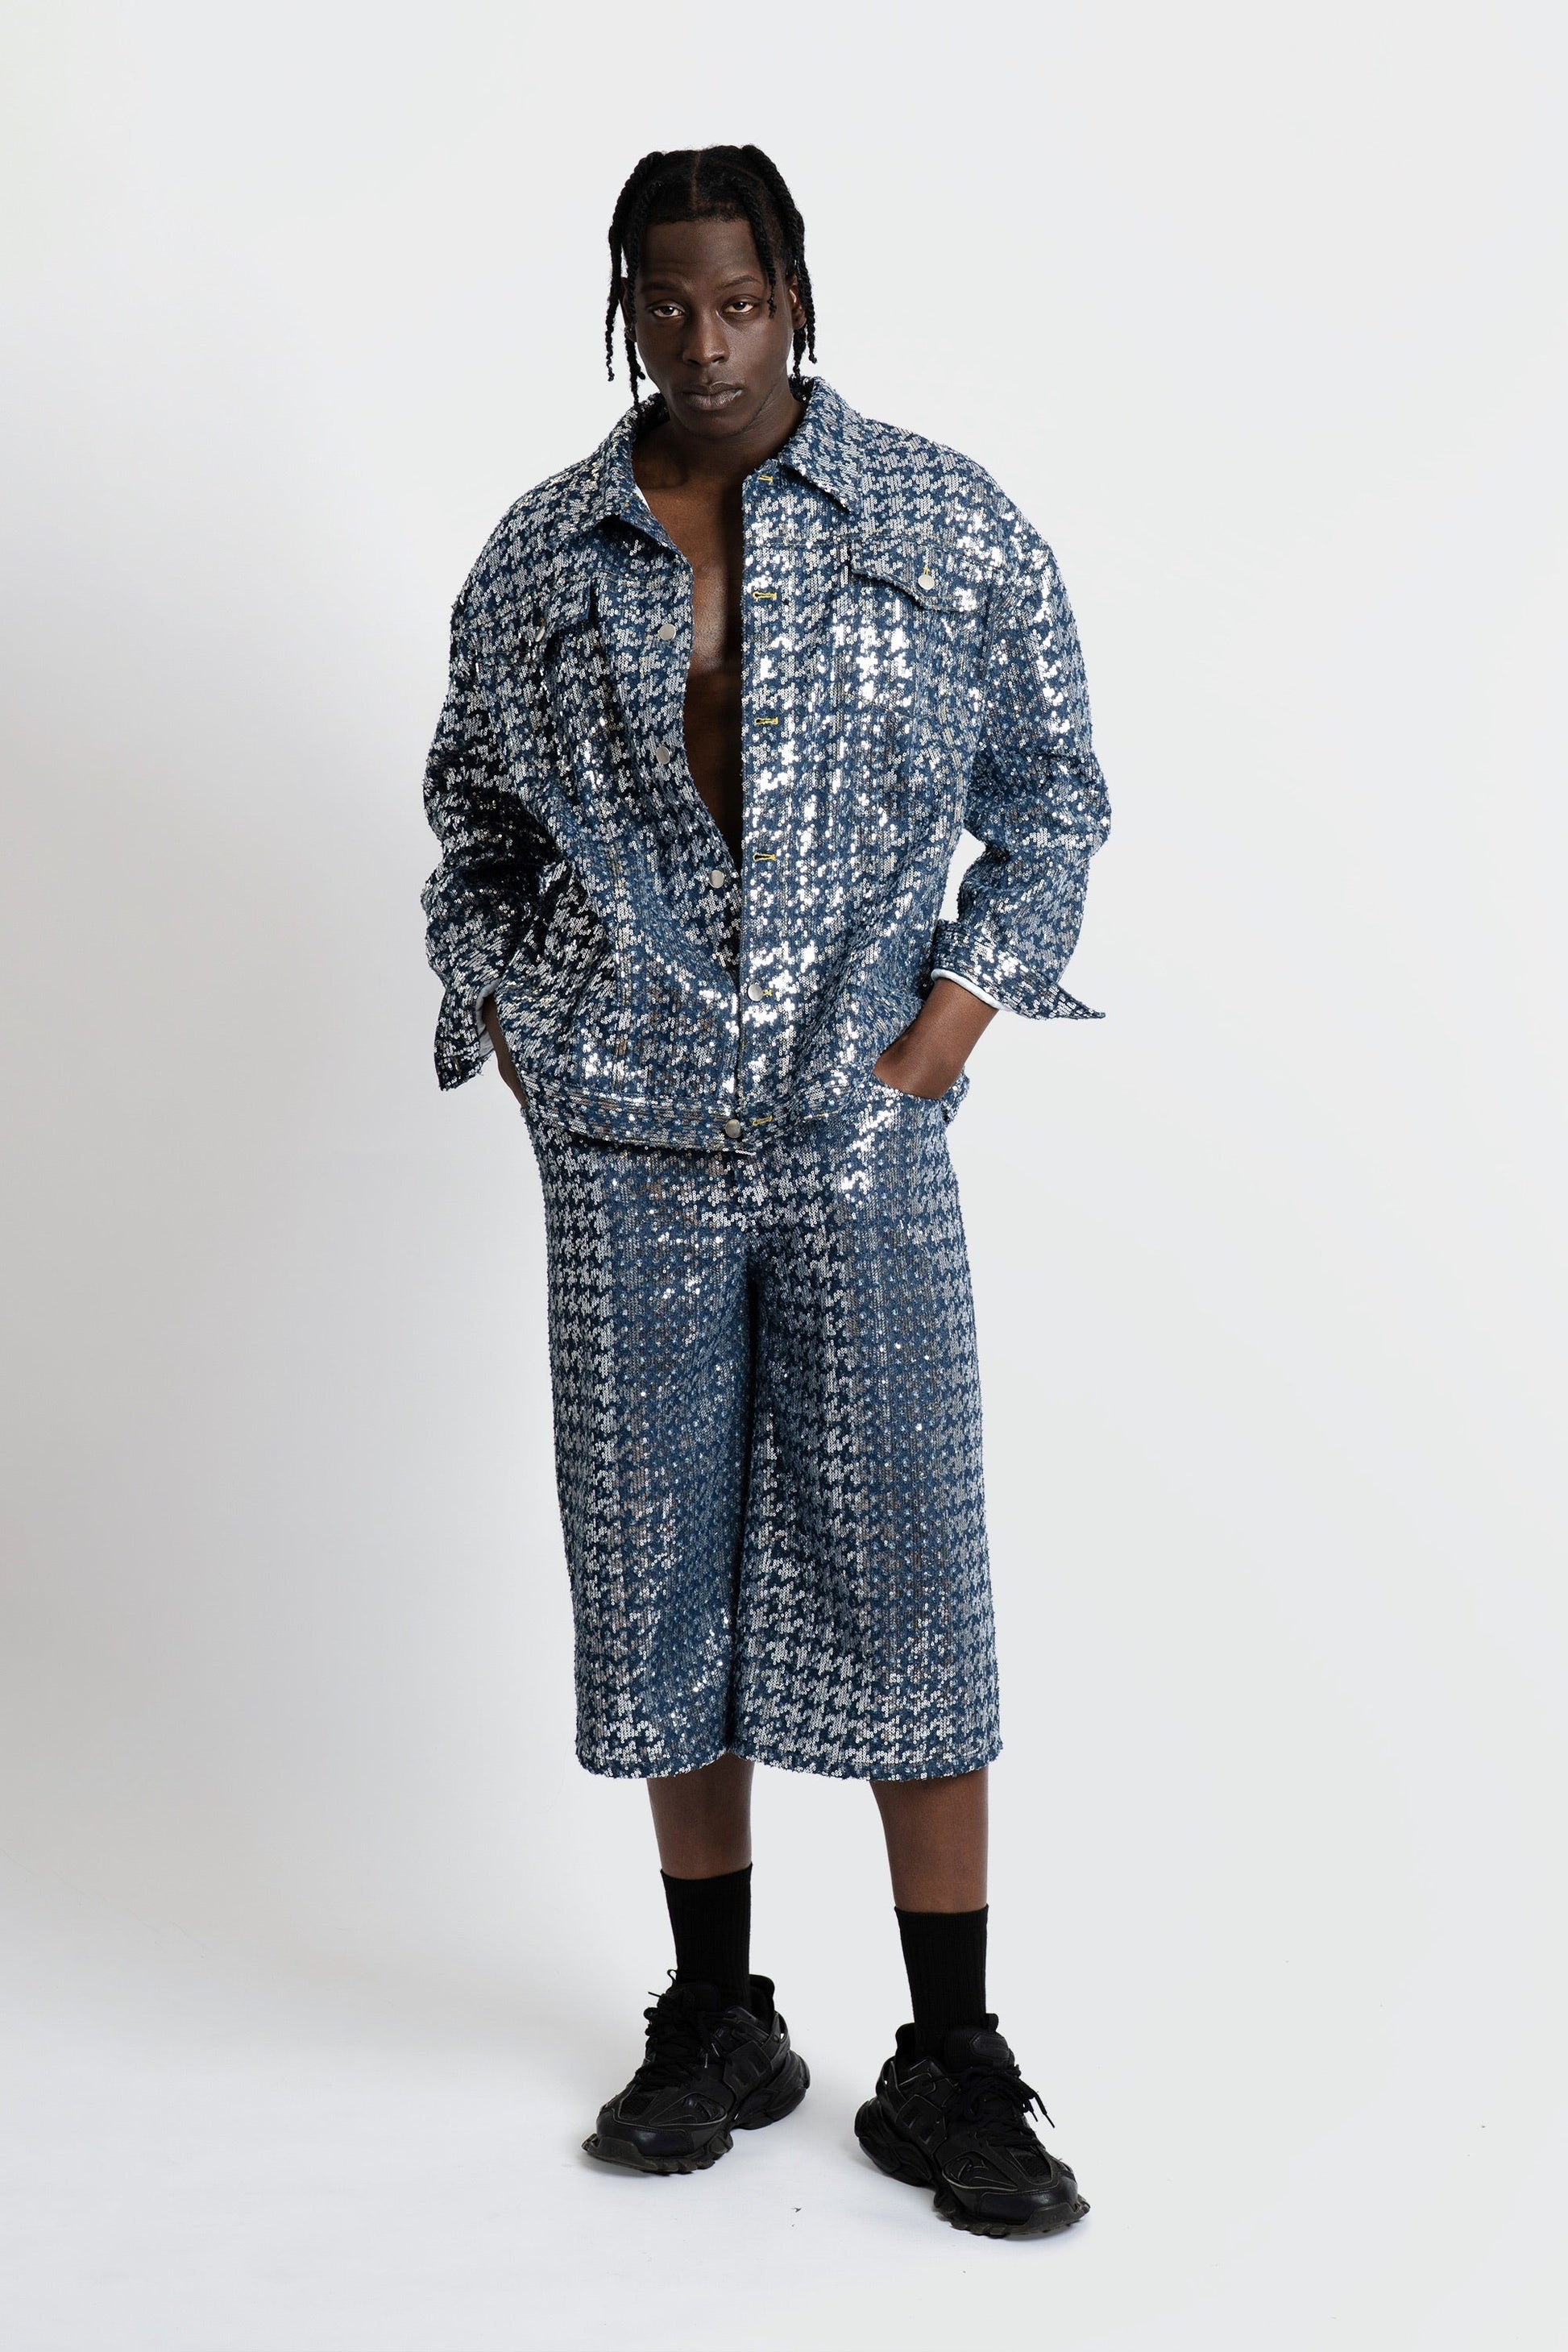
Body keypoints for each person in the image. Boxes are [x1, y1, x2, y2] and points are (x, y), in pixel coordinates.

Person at [421, 144, 1109, 2239]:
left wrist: (936, 1044)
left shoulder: (938, 520)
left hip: (855, 1141)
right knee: (658, 1578)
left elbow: (1054, 797)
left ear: (795, 293)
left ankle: (950, 2056)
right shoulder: (545, 555)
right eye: (664, 301)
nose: (703, 341)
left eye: (737, 300)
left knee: (908, 1575)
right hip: (625, 1147)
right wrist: (526, 1034)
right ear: (621, 305)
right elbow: (471, 829)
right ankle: (716, 2013)